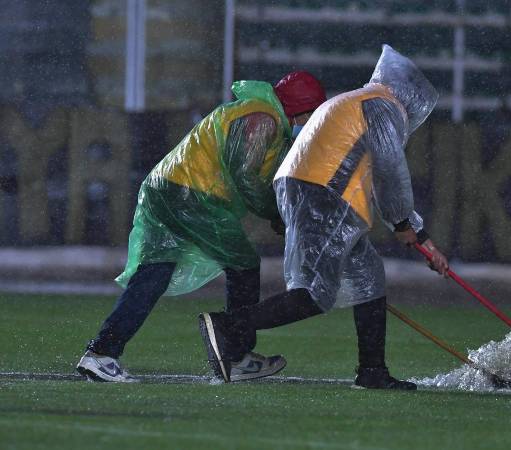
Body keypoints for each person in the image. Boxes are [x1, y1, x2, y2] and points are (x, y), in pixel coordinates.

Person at [198, 45, 449, 390]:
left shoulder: (356, 101)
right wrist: (404, 223)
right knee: (314, 293)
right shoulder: (383, 106)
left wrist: (420, 236)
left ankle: (372, 370)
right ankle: (229, 327)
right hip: (325, 195)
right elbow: (391, 173)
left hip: (314, 192)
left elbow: (373, 177)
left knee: (368, 279)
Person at [76, 72, 327, 383]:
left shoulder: (258, 115)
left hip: (166, 188)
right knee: (244, 264)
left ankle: (101, 354)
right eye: (313, 113)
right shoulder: (263, 119)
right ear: (301, 108)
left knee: (154, 274)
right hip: (192, 196)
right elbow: (246, 176)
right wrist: (278, 213)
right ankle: (235, 354)